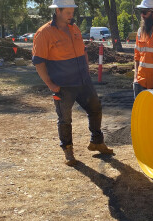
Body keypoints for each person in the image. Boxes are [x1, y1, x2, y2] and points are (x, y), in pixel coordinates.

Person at [32, 0, 113, 166]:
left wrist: (86, 68)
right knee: (65, 119)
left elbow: (82, 50)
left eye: (72, 12)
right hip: (63, 85)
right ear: (58, 12)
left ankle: (96, 142)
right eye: (68, 13)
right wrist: (50, 84)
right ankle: (68, 151)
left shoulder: (74, 28)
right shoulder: (44, 33)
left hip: (83, 81)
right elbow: (38, 62)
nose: (71, 16)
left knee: (95, 108)